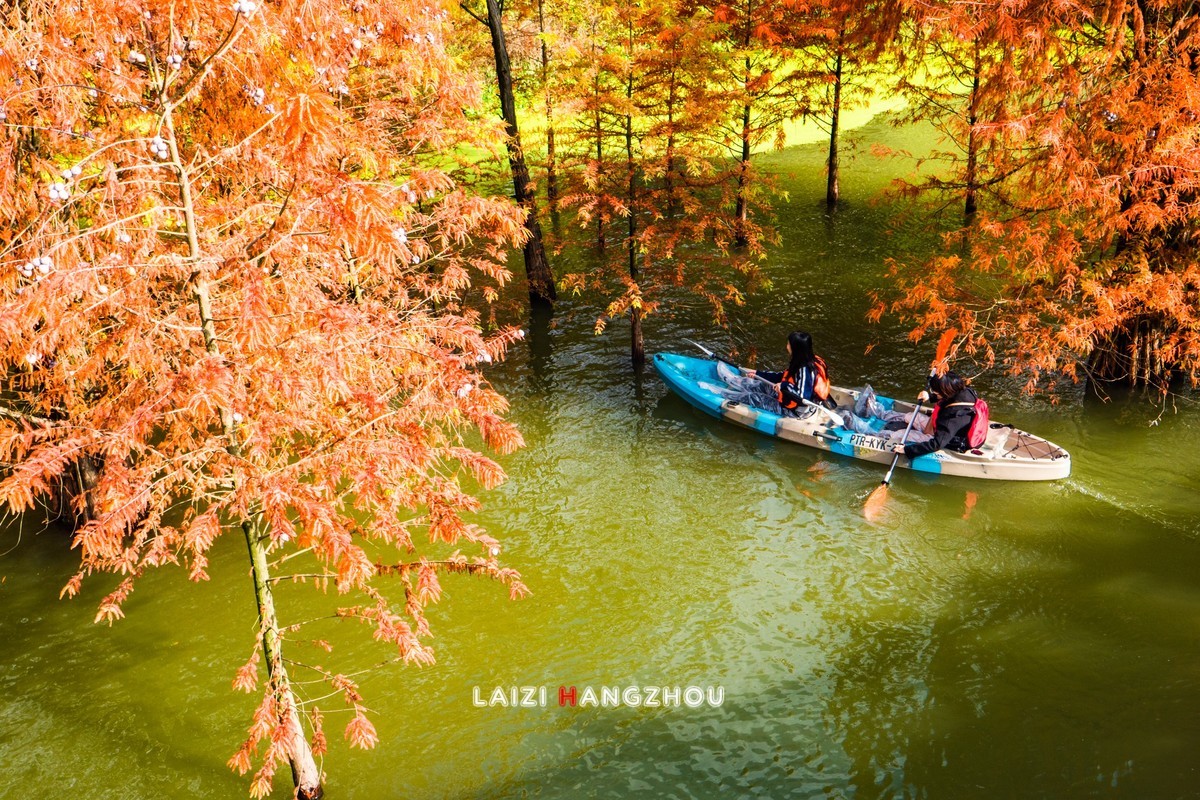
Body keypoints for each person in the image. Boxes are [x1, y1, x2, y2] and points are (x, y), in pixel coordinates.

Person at [842, 371, 980, 458]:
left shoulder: (951, 419)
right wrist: (930, 396)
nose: (935, 393)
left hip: (943, 438)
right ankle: (878, 412)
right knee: (910, 416)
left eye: (936, 392)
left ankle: (866, 431)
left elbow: (936, 444)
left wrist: (907, 450)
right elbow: (945, 398)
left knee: (900, 434)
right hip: (937, 426)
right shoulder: (964, 391)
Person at [750, 331, 832, 412]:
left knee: (751, 397)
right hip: (792, 396)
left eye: (789, 344)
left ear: (796, 348)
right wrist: (759, 374)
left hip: (797, 411)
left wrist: (784, 386)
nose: (787, 347)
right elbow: (784, 376)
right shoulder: (813, 359)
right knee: (758, 385)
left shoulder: (804, 369)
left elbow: (802, 398)